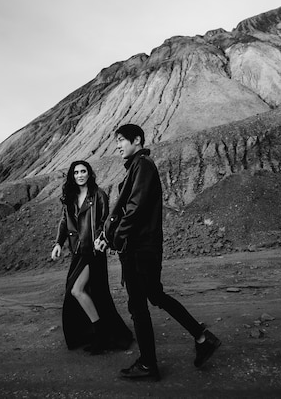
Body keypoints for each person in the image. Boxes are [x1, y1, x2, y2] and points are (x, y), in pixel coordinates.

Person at [95, 124, 221, 381]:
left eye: (121, 140)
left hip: (139, 250)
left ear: (137, 140)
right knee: (156, 295)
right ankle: (202, 337)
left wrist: (113, 238)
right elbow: (129, 209)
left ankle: (148, 364)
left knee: (138, 307)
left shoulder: (142, 165)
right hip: (143, 248)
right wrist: (109, 235)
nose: (117, 146)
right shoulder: (137, 167)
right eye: (116, 141)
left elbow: (134, 209)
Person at [52, 160, 133, 355]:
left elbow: (106, 221)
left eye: (83, 171)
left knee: (77, 290)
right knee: (87, 293)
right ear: (72, 176)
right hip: (77, 252)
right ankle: (98, 332)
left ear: (89, 174)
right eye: (76, 172)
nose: (80, 175)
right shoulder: (70, 198)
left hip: (93, 251)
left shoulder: (99, 195)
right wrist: (57, 243)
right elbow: (65, 222)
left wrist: (102, 239)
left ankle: (100, 334)